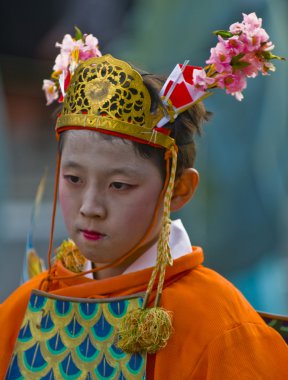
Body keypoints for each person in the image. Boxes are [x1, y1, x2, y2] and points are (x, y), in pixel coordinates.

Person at [1, 14, 288, 379]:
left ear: (179, 188)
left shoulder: (223, 328)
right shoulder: (23, 309)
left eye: (119, 185)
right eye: (73, 178)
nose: (90, 207)